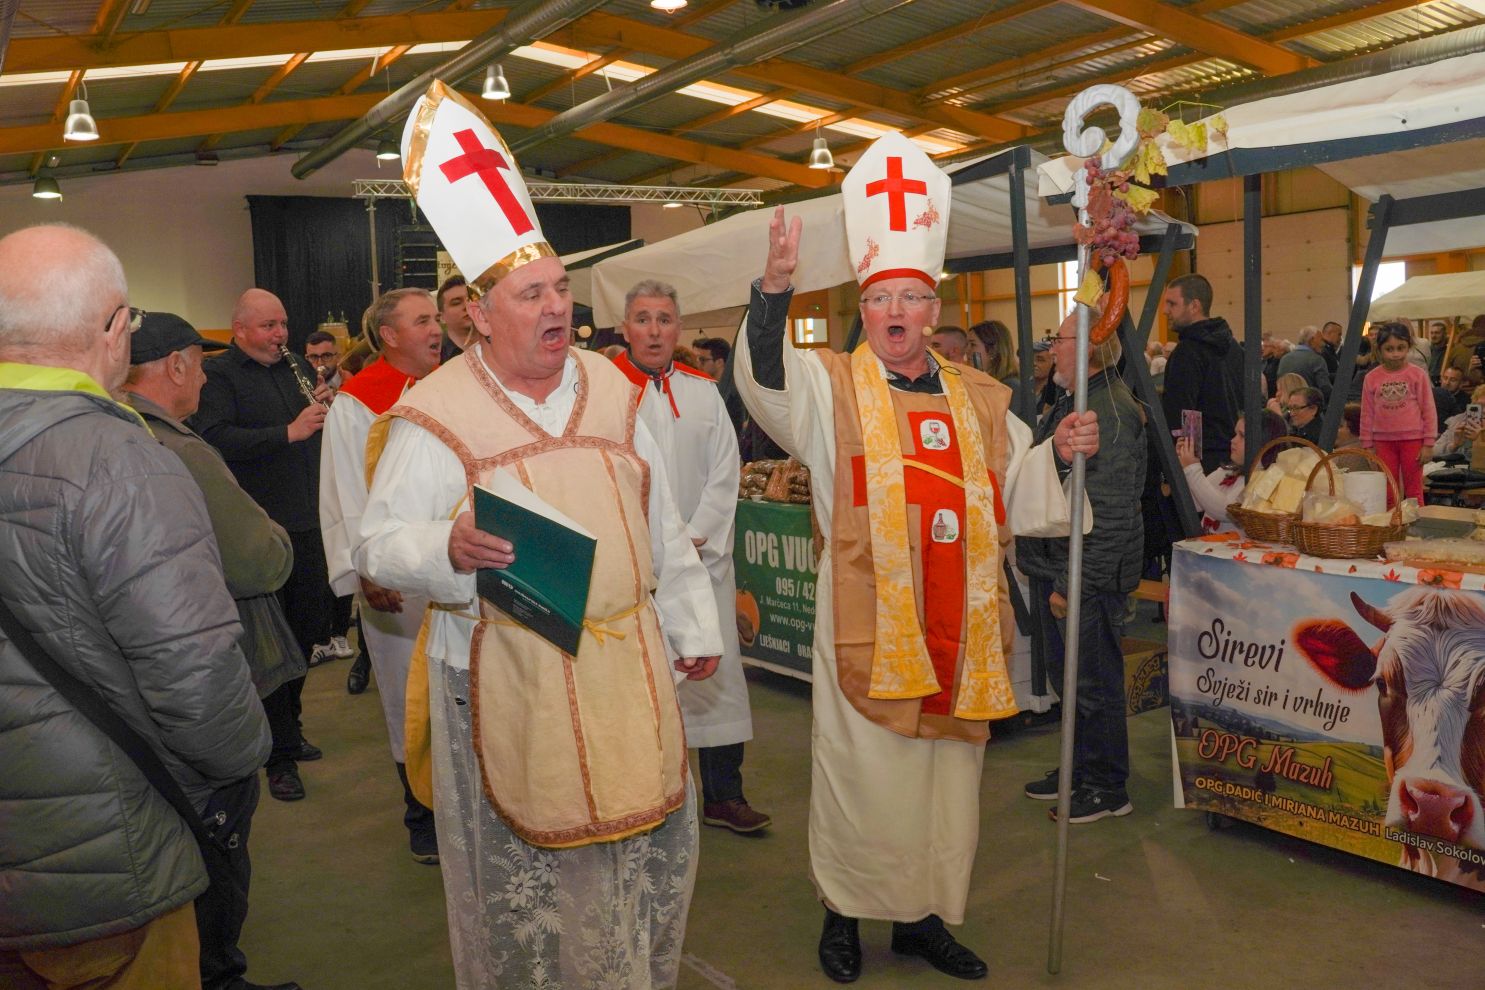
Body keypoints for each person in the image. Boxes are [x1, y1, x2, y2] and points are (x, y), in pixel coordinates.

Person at [354, 83, 723, 988]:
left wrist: (691, 624)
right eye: (531, 294)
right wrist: (446, 549)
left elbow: (660, 522)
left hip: (624, 668)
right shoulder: (434, 413)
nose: (556, 306)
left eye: (561, 287)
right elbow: (375, 546)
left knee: (625, 867)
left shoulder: (612, 387)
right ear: (480, 315)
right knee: (530, 890)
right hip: (501, 677)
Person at [732, 133, 1100, 984]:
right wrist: (773, 293)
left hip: (961, 630)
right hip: (866, 621)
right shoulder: (831, 388)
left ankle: (921, 919)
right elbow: (766, 384)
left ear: (933, 310)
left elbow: (1020, 486)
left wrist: (1059, 452)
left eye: (909, 296)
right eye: (878, 298)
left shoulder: (980, 399)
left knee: (943, 787)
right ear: (862, 309)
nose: (894, 311)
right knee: (863, 778)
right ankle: (842, 914)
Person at [0, 225, 271, 989]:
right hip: (104, 857)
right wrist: (242, 762)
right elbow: (195, 675)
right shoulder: (121, 461)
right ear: (115, 327)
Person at [122, 311, 304, 990]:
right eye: (199, 364)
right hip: (198, 677)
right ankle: (219, 974)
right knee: (219, 837)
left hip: (130, 688)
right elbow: (259, 561)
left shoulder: (107, 433)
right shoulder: (181, 449)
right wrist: (273, 531)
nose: (203, 378)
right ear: (175, 365)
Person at [614, 280, 771, 835]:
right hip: (637, 565)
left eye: (664, 319)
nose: (654, 330)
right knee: (645, 682)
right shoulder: (605, 395)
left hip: (703, 563)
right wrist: (650, 542)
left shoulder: (704, 394)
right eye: (642, 319)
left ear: (678, 328)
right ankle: (650, 797)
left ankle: (725, 795)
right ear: (625, 328)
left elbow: (726, 470)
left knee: (714, 674)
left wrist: (695, 534)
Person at [192, 288, 333, 802]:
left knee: (307, 632)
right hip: (260, 529)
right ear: (240, 329)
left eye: (283, 323)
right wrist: (288, 433)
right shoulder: (219, 375)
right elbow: (212, 439)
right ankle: (277, 756)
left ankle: (290, 729)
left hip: (308, 519)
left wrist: (322, 409)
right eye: (269, 326)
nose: (280, 334)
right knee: (271, 646)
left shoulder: (294, 367)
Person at [319, 287, 442, 865]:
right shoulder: (359, 403)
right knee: (406, 694)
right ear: (389, 336)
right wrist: (366, 569)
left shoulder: (455, 389)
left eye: (436, 318)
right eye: (422, 321)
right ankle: (422, 814)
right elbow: (345, 490)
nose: (436, 329)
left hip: (456, 565)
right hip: (395, 578)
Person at [1020, 310, 1145, 824]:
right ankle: (1080, 767)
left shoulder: (1107, 413)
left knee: (1093, 684)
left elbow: (1110, 513)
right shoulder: (1074, 402)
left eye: (1060, 337)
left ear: (1090, 347)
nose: (1051, 346)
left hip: (1085, 575)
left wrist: (1073, 585)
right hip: (1061, 567)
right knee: (1069, 680)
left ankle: (1106, 786)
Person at [1160, 273, 1245, 472]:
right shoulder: (1233, 347)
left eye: (1172, 304)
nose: (1165, 311)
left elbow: (1185, 413)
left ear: (1194, 306)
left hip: (1202, 460)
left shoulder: (1187, 352)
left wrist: (1188, 466)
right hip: (1234, 454)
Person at [1362, 321, 1437, 503]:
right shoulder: (1371, 378)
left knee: (1414, 490)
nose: (1395, 354)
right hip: (1382, 441)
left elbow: (1428, 409)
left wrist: (1428, 443)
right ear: (1379, 350)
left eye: (1400, 348)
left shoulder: (1418, 375)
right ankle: (1391, 520)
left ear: (1408, 347)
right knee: (1388, 490)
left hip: (1413, 440)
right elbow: (1367, 413)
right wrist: (1367, 444)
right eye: (1389, 349)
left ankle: (1416, 520)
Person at [1176, 409, 1287, 531]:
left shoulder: (1266, 480)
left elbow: (1226, 511)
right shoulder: (1227, 471)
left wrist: (1192, 469)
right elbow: (1194, 502)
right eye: (1235, 434)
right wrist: (1184, 464)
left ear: (1262, 442)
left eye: (1242, 436)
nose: (1233, 440)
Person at [968, 319, 1024, 420]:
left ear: (992, 350)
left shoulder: (1010, 387)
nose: (967, 350)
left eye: (972, 345)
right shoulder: (987, 382)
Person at [1276, 326, 1332, 401]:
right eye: (1321, 340)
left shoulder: (1284, 359)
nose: (1323, 344)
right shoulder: (1317, 360)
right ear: (1312, 340)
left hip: (1286, 403)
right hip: (1308, 404)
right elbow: (1325, 388)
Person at [1434, 384, 1485, 455]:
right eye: (1481, 405)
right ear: (1474, 404)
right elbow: (1433, 451)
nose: (1484, 411)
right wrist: (1454, 445)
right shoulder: (1459, 421)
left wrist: (1478, 439)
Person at [436, 274, 476, 363]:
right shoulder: (434, 355)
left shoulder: (501, 346)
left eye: (471, 299)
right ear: (441, 317)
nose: (467, 306)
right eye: (456, 303)